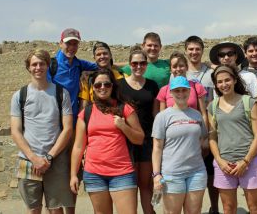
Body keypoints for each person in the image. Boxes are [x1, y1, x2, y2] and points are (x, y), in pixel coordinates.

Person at [70, 69, 144, 214]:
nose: (102, 88)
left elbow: (139, 139)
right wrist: (73, 174)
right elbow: (78, 147)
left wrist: (123, 127)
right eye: (98, 85)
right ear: (93, 88)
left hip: (122, 173)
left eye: (106, 84)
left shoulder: (125, 109)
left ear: (113, 86)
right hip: (94, 174)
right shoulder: (86, 113)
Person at [11, 49, 74, 214]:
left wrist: (48, 157)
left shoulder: (61, 93)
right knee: (33, 209)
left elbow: (67, 129)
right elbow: (16, 131)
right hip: (29, 159)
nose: (38, 67)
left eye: (42, 64)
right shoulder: (20, 95)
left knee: (56, 208)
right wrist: (34, 158)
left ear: (48, 66)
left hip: (55, 157)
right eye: (34, 64)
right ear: (28, 67)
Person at [208, 65, 257, 214]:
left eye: (227, 80)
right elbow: (212, 137)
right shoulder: (212, 106)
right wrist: (220, 161)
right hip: (224, 164)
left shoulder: (249, 102)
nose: (224, 84)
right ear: (216, 84)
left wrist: (245, 162)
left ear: (234, 80)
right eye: (220, 82)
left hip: (249, 162)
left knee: (255, 208)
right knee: (228, 208)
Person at [152, 76, 208, 214]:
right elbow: (157, 148)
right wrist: (156, 174)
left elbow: (202, 139)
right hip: (172, 173)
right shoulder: (163, 116)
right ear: (171, 93)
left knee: (194, 212)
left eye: (184, 90)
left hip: (197, 172)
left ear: (189, 92)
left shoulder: (196, 115)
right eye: (177, 91)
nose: (181, 94)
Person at [118, 46, 160, 214]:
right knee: (129, 186)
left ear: (146, 65)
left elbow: (156, 113)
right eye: (135, 63)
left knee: (145, 184)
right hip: (124, 140)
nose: (138, 66)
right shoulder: (119, 86)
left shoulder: (152, 85)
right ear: (129, 65)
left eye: (142, 63)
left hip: (147, 140)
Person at [184, 35, 218, 214]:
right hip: (188, 129)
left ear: (202, 51)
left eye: (197, 49)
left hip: (209, 126)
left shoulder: (211, 73)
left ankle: (214, 206)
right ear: (186, 51)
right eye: (191, 49)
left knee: (211, 171)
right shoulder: (181, 73)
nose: (194, 52)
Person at [209, 41, 257, 139]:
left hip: (250, 134)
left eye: (230, 54)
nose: (226, 57)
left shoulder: (249, 77)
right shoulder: (217, 81)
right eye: (222, 55)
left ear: (236, 56)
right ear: (218, 58)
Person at [48, 28, 97, 127]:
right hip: (55, 121)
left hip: (73, 120)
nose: (71, 47)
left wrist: (130, 65)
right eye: (68, 43)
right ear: (61, 43)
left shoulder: (79, 64)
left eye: (75, 44)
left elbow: (102, 66)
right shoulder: (51, 65)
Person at [157, 51, 208, 126]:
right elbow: (162, 118)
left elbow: (203, 114)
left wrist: (204, 135)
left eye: (181, 66)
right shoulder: (164, 90)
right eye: (174, 66)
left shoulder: (197, 87)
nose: (178, 69)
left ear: (187, 67)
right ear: (170, 69)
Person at [79, 41, 125, 110]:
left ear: (110, 55)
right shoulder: (87, 79)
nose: (102, 56)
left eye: (105, 53)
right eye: (98, 54)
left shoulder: (123, 76)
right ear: (94, 58)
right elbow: (83, 106)